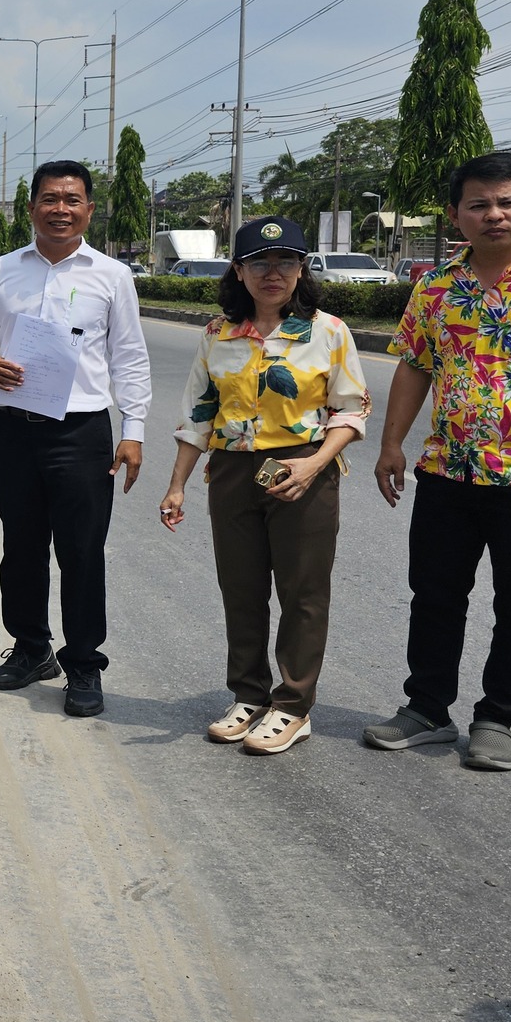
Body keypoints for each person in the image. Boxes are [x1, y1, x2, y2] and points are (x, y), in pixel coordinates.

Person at [362, 152, 511, 771]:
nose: (493, 214)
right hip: (447, 471)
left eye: (506, 202)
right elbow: (415, 364)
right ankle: (427, 710)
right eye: (479, 204)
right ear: (456, 215)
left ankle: (498, 717)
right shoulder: (437, 287)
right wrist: (393, 444)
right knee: (435, 594)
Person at [157, 217, 369, 754]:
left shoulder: (329, 331)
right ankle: (248, 695)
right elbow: (198, 416)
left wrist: (315, 463)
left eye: (286, 262)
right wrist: (177, 485)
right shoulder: (216, 333)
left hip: (304, 472)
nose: (273, 273)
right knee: (242, 588)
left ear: (302, 269)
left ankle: (293, 705)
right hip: (232, 473)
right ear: (239, 270)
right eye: (260, 263)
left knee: (303, 591)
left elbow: (351, 409)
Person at [0, 159, 151, 718]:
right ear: (32, 209)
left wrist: (132, 430)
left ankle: (85, 663)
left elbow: (130, 357)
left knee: (81, 551)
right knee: (20, 545)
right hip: (15, 429)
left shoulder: (112, 276)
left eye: (72, 200)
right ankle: (31, 647)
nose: (60, 209)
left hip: (81, 431)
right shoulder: (1, 270)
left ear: (89, 209)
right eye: (50, 199)